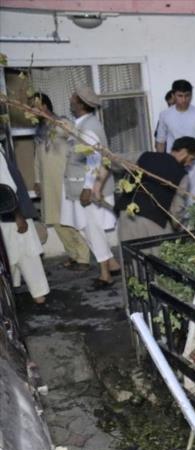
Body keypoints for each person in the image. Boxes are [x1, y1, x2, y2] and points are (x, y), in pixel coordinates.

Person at [60, 86, 121, 288]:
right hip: (80, 186)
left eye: (73, 97)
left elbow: (95, 159)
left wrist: (88, 188)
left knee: (92, 229)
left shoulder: (89, 127)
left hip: (90, 188)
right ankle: (111, 264)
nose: (70, 98)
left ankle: (105, 274)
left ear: (80, 103)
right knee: (88, 229)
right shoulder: (82, 124)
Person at [32, 93, 92, 271]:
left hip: (63, 180)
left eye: (36, 105)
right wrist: (37, 181)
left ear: (45, 106)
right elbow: (37, 159)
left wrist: (53, 120)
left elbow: (77, 138)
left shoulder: (62, 123)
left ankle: (83, 257)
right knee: (55, 220)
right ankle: (73, 255)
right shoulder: (39, 130)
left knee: (67, 219)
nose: (32, 109)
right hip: (47, 182)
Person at [116, 137, 195, 242]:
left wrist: (97, 188)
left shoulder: (144, 156)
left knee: (130, 256)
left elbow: (112, 159)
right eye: (191, 159)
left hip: (125, 217)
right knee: (159, 256)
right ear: (184, 152)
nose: (190, 164)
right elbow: (176, 213)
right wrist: (183, 229)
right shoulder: (182, 176)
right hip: (153, 224)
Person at [155, 80, 195, 208]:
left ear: (191, 95)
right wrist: (161, 169)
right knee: (178, 202)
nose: (184, 100)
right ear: (173, 95)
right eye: (180, 96)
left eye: (187, 95)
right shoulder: (165, 115)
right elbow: (160, 142)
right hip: (174, 165)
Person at [0, 149, 49, 304]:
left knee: (11, 254)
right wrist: (17, 215)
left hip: (6, 213)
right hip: (10, 212)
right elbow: (6, 186)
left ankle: (13, 293)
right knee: (28, 254)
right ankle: (38, 296)